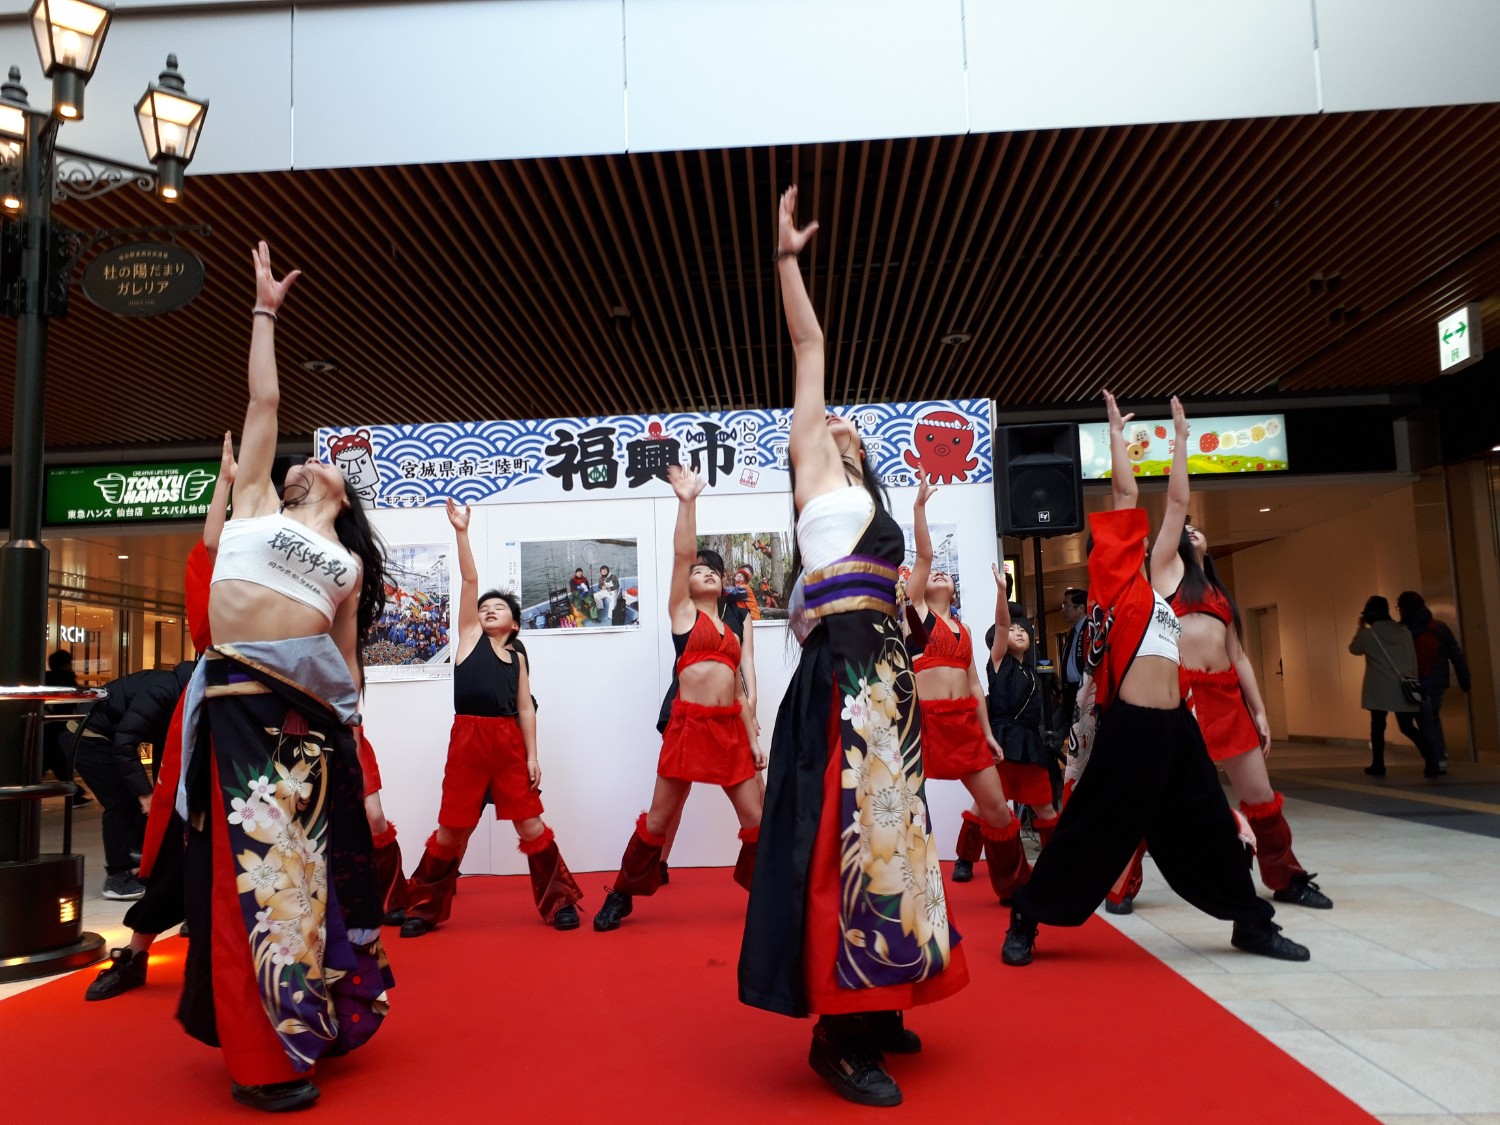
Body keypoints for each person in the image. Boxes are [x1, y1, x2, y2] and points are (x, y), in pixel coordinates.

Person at [739, 187, 968, 1109]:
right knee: (842, 844)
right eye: (827, 419)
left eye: (846, 423)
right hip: (840, 683)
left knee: (898, 844)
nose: (837, 420)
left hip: (890, 688)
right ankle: (838, 1032)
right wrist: (789, 264)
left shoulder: (870, 501)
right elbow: (809, 349)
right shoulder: (814, 473)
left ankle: (879, 1002)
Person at [176, 243, 392, 1113]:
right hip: (231, 706)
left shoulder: (346, 563)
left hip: (303, 731)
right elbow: (265, 397)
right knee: (244, 884)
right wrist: (264, 310)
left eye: (322, 461)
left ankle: (307, 1022)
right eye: (302, 455)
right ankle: (262, 1057)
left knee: (296, 885)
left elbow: (347, 675)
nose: (307, 458)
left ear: (345, 489)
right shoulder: (257, 499)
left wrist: (355, 760)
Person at [1001, 391, 1308, 970]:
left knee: (1211, 828)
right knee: (1091, 831)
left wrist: (1181, 441)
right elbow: (1124, 493)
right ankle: (1028, 914)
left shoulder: (1162, 585)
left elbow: (1177, 501)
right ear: (1109, 554)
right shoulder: (1116, 585)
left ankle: (1251, 922)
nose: (1140, 539)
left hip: (1176, 730)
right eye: (1128, 540)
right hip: (1132, 732)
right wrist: (1117, 437)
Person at [1150, 398, 1332, 911]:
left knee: (1262, 799)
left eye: (1197, 530)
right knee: (1159, 796)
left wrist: (1259, 710)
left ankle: (1286, 877)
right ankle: (1124, 883)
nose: (1190, 530)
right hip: (1180, 698)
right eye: (1185, 528)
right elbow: (1176, 504)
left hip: (1226, 697)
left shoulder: (1219, 593)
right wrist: (1182, 441)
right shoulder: (1164, 572)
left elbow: (1241, 657)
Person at [399, 498, 584, 936]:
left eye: (498, 608)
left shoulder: (519, 655)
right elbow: (469, 579)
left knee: (531, 824)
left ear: (515, 624)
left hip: (508, 743)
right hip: (468, 740)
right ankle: (423, 907)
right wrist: (462, 532)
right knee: (450, 831)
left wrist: (533, 756)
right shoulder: (467, 639)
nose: (487, 610)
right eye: (484, 608)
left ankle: (559, 903)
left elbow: (525, 707)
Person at [594, 465, 765, 931]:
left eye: (714, 571)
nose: (704, 573)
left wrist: (753, 738)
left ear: (725, 582)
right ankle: (622, 893)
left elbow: (741, 689)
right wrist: (687, 501)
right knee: (659, 820)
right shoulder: (682, 614)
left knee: (758, 817)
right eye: (698, 570)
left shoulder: (733, 626)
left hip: (730, 726)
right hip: (687, 725)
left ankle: (772, 897)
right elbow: (682, 551)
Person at [907, 469, 1031, 903]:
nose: (939, 575)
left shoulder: (962, 628)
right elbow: (923, 557)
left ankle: (1014, 887)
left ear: (955, 590)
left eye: (946, 575)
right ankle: (901, 893)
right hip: (923, 727)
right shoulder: (917, 617)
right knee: (902, 813)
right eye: (933, 575)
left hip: (965, 725)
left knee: (997, 808)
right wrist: (920, 508)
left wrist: (988, 733)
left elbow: (977, 687)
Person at [71, 661, 195, 901]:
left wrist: (160, 791)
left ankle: (139, 860)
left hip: (108, 739)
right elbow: (124, 743)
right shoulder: (162, 691)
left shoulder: (181, 696)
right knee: (121, 801)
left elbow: (164, 749)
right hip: (87, 737)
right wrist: (145, 793)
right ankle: (117, 876)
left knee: (144, 800)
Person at [1350, 595, 1433, 777]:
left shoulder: (1368, 634)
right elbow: (1412, 659)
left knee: (1378, 728)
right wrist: (1413, 680)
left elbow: (1354, 649)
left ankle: (1378, 765)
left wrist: (1360, 627)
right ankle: (1431, 759)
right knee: (1407, 727)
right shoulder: (1403, 631)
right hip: (1403, 687)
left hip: (1379, 689)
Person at [1397, 590, 1470, 774]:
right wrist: (1464, 677)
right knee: (1433, 719)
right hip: (1438, 683)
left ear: (1403, 608)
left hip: (1414, 683)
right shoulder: (1440, 627)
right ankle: (1440, 757)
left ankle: (1435, 758)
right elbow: (1456, 654)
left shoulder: (1401, 630)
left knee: (1423, 723)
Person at [42, 650, 90, 806]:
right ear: (66, 664)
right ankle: (74, 793)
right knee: (56, 761)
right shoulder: (68, 680)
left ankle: (75, 793)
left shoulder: (44, 678)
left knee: (50, 761)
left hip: (46, 726)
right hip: (62, 727)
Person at [1057, 587, 1088, 727]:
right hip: (1070, 691)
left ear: (1081, 608)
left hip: (1085, 691)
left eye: (1067, 605)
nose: (1063, 610)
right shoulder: (1072, 632)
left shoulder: (1090, 628)